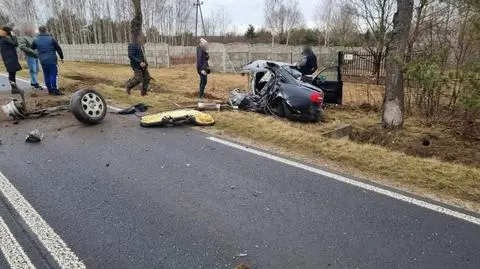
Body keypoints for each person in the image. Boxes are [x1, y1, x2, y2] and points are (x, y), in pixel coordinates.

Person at [31, 26, 64, 95]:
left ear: (39, 31)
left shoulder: (36, 40)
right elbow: (58, 48)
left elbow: (32, 47)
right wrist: (62, 57)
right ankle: (55, 90)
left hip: (43, 60)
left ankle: (50, 90)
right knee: (53, 75)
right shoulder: (51, 39)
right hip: (52, 60)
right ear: (46, 30)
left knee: (46, 75)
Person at [0, 25, 23, 95]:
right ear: (7, 32)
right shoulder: (5, 38)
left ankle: (14, 88)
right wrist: (14, 36)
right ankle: (14, 88)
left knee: (12, 73)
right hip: (10, 58)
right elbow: (15, 43)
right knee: (12, 73)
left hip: (8, 58)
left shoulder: (2, 38)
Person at [19, 24, 42, 90]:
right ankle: (35, 84)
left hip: (36, 56)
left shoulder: (34, 37)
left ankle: (33, 82)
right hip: (30, 56)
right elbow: (22, 46)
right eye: (31, 30)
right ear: (27, 31)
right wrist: (32, 51)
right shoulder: (24, 38)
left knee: (37, 69)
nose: (33, 31)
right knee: (33, 70)